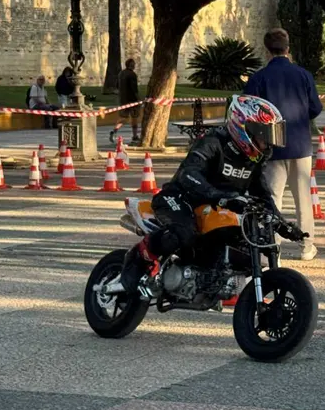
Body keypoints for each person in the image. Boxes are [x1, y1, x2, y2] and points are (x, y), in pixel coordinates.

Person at [120, 94, 303, 294]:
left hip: (215, 207)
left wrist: (282, 224)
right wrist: (220, 195)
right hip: (180, 198)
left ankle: (217, 281)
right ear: (243, 127)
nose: (268, 143)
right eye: (263, 134)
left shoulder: (253, 159)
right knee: (184, 233)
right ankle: (138, 257)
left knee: (246, 239)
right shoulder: (213, 141)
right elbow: (188, 174)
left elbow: (263, 195)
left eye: (270, 136)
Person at [243, 28, 323, 261]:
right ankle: (306, 245)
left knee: (273, 199)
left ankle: (273, 247)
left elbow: (250, 109)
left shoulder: (259, 78)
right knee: (303, 198)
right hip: (300, 144)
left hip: (271, 144)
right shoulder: (303, 75)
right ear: (288, 48)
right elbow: (315, 108)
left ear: (267, 50)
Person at [111, 58, 141, 145]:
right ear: (131, 65)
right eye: (134, 64)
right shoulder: (132, 75)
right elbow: (134, 89)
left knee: (123, 118)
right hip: (132, 100)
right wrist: (138, 98)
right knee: (134, 118)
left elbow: (117, 86)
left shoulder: (121, 73)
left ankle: (114, 131)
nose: (135, 65)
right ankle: (135, 136)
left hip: (123, 100)